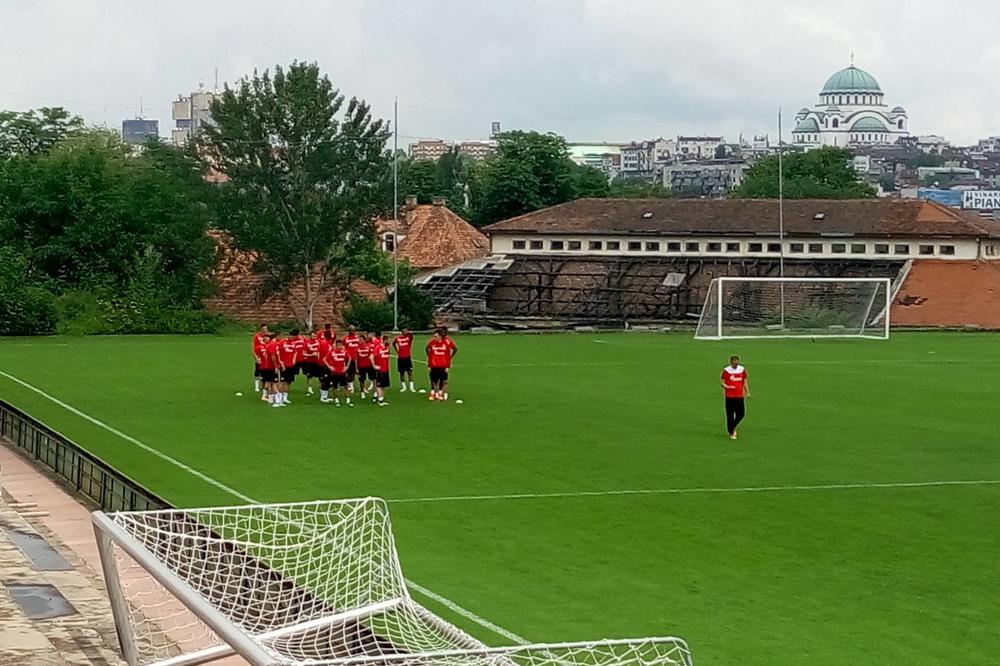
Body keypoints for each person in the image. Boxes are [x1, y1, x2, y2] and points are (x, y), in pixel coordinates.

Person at [721, 355, 750, 440]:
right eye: (734, 363)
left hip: (740, 396)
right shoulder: (726, 371)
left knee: (741, 414)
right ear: (731, 362)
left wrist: (747, 391)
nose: (735, 365)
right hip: (729, 397)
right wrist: (727, 387)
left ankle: (732, 426)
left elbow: (744, 381)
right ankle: (731, 432)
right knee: (730, 415)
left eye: (737, 363)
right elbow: (722, 382)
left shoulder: (741, 370)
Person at [426, 328, 457, 401]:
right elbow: (429, 354)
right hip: (434, 365)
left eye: (435, 336)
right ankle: (435, 393)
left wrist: (448, 366)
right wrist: (429, 365)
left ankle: (440, 393)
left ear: (440, 336)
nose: (434, 338)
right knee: (434, 380)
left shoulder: (446, 343)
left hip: (443, 365)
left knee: (443, 380)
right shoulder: (432, 343)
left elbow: (448, 356)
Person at [321, 338, 352, 407]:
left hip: (342, 372)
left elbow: (349, 359)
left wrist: (346, 367)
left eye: (341, 345)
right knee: (335, 387)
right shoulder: (332, 352)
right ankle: (336, 400)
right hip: (334, 373)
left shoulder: (344, 352)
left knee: (346, 386)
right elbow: (324, 359)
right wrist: (330, 367)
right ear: (336, 345)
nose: (340, 346)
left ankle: (348, 400)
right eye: (338, 345)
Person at [277, 331, 299, 406]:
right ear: (289, 336)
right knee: (283, 382)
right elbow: (278, 353)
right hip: (284, 365)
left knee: (289, 381)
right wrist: (280, 361)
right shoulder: (282, 343)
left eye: (293, 337)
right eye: (291, 337)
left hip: (290, 365)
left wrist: (294, 360)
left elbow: (295, 352)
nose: (292, 338)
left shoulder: (293, 344)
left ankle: (285, 397)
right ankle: (280, 397)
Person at [301, 331, 323, 396]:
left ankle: (321, 388)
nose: (314, 337)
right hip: (310, 362)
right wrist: (311, 354)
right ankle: (310, 388)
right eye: (313, 336)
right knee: (309, 376)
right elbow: (303, 353)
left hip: (318, 362)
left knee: (320, 375)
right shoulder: (307, 343)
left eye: (315, 336)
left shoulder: (319, 342)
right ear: (310, 336)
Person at [264, 333, 283, 408]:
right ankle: (277, 401)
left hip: (269, 366)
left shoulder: (273, 344)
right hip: (271, 367)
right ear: (276, 337)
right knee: (274, 383)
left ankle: (271, 400)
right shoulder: (273, 344)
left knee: (271, 383)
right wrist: (275, 366)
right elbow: (273, 356)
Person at [372, 333, 391, 406]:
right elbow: (371, 357)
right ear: (384, 340)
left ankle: (381, 399)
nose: (389, 342)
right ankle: (380, 400)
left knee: (383, 385)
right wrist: (374, 365)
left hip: (386, 369)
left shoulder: (386, 348)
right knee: (379, 385)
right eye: (388, 340)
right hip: (380, 370)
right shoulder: (378, 347)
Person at [252, 323, 270, 398]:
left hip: (266, 356)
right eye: (264, 329)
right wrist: (256, 358)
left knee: (265, 373)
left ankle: (265, 388)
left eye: (266, 329)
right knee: (257, 370)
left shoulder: (268, 336)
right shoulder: (257, 336)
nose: (265, 330)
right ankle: (257, 386)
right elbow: (254, 347)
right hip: (259, 355)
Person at [355, 333, 374, 399]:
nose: (359, 341)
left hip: (368, 366)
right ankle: (362, 392)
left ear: (364, 340)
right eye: (359, 340)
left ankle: (375, 391)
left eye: (360, 340)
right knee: (362, 380)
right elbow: (356, 359)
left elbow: (371, 356)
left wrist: (373, 365)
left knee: (372, 378)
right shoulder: (357, 348)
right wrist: (356, 368)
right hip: (361, 366)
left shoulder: (368, 347)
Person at [342, 326, 360, 393]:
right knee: (348, 371)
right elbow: (343, 348)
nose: (353, 331)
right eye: (352, 330)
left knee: (355, 372)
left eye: (354, 330)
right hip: (348, 358)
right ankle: (349, 384)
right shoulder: (345, 338)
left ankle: (353, 384)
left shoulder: (357, 337)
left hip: (356, 357)